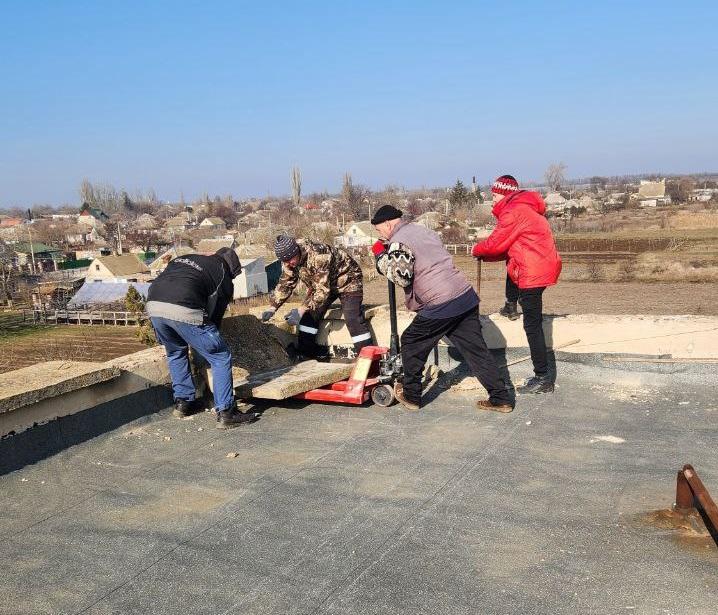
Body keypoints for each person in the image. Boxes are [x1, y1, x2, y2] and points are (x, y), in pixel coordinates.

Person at [370, 205, 513, 413]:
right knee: (476, 351)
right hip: (464, 295)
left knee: (412, 341)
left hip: (440, 302)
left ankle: (411, 396)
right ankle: (500, 398)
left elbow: (402, 276)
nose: (380, 234)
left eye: (378, 229)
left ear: (388, 223)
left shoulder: (398, 241)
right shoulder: (422, 230)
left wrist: (380, 258)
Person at [472, 175, 562, 394]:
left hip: (533, 270)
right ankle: (510, 305)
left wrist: (477, 249)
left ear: (503, 194)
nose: (491, 200)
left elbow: (494, 244)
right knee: (511, 267)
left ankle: (543, 378)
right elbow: (505, 248)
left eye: (493, 195)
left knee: (532, 325)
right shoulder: (524, 207)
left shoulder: (513, 212)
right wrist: (486, 254)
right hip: (537, 264)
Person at [147, 247, 255, 428]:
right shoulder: (223, 275)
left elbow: (171, 281)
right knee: (220, 355)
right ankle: (227, 412)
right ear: (232, 269)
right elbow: (214, 319)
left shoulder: (186, 258)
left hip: (153, 305)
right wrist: (207, 343)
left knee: (175, 352)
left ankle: (183, 403)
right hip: (184, 306)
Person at [261, 235, 372, 359]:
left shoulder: (319, 255)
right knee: (309, 317)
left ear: (296, 251)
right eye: (284, 261)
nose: (289, 264)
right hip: (322, 284)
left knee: (352, 318)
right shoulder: (290, 261)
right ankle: (307, 353)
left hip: (348, 280)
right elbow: (286, 284)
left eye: (290, 260)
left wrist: (301, 310)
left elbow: (322, 292)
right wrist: (272, 307)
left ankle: (368, 359)